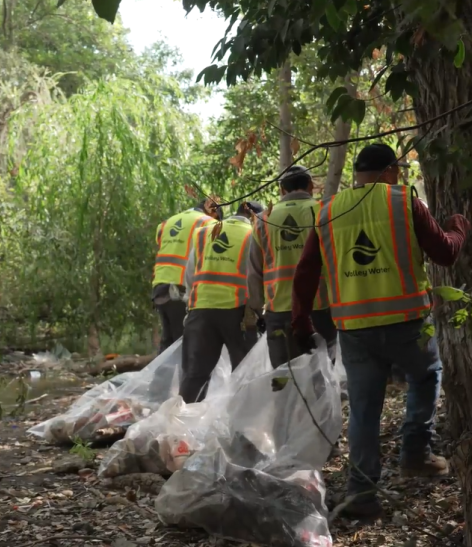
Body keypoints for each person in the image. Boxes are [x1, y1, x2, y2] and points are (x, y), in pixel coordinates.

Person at [291, 143, 471, 518]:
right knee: (426, 376)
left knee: (364, 409)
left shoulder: (328, 211)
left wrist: (300, 318)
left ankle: (361, 495)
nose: (400, 177)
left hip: (355, 329)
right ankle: (415, 452)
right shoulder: (404, 201)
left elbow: (306, 271)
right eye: (399, 171)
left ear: (357, 175)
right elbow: (445, 253)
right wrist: (459, 228)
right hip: (406, 323)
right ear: (390, 171)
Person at [248, 165, 337, 368]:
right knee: (322, 376)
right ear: (311, 186)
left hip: (278, 311)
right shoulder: (325, 212)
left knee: (283, 378)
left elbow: (254, 273)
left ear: (281, 190)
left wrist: (257, 310)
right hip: (319, 309)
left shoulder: (263, 220)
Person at [180, 200, 264, 403]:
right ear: (253, 216)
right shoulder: (253, 235)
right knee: (244, 375)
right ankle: (241, 430)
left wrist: (194, 304)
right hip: (237, 313)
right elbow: (254, 277)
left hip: (200, 311)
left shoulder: (203, 233)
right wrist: (257, 309)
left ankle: (180, 429)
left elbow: (189, 275)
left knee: (195, 375)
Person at [152, 196, 221, 354]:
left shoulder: (166, 223)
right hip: (181, 289)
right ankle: (183, 379)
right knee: (184, 344)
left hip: (160, 287)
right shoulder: (208, 223)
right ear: (213, 212)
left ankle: (161, 378)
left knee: (169, 343)